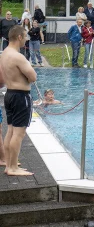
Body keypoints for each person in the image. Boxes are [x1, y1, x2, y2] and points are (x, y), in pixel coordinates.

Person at [1, 25, 37, 175]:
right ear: (19, 37)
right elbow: (33, 77)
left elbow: (2, 79)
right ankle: (13, 168)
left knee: (10, 130)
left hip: (9, 95)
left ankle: (9, 164)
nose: (27, 39)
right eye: (26, 36)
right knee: (19, 133)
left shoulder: (4, 54)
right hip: (21, 96)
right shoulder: (18, 56)